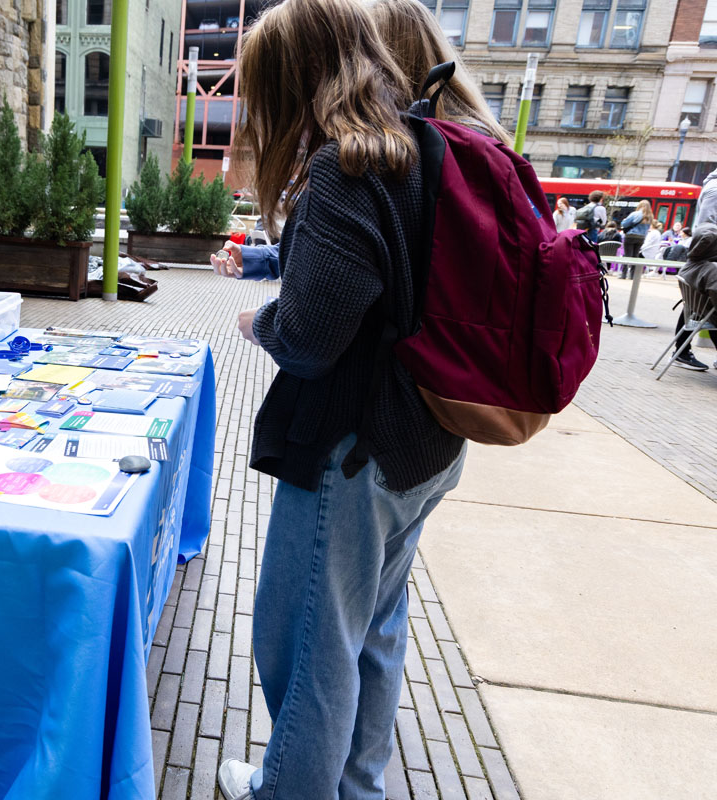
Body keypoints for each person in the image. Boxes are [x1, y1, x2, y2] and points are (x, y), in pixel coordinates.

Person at [214, 1, 467, 798]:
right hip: (422, 444)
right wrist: (273, 266)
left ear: (297, 78)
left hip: (352, 455)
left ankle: (288, 789)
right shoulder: (420, 145)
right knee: (373, 636)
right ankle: (354, 788)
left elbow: (316, 336)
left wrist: (263, 324)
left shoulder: (344, 166)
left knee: (309, 649)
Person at [212, 0, 511, 283]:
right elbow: (354, 250)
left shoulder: (387, 159)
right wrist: (261, 259)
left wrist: (266, 322)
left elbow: (345, 282)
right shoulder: (476, 145)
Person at [669, 223, 717, 371]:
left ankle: (680, 353)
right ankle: (681, 353)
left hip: (695, 309)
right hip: (708, 313)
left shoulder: (692, 262)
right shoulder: (711, 270)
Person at [620, 199, 652, 278]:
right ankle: (632, 275)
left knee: (627, 255)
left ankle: (624, 274)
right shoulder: (650, 216)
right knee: (635, 255)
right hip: (641, 238)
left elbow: (624, 224)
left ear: (640, 206)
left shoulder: (635, 214)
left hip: (631, 236)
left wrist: (624, 221)